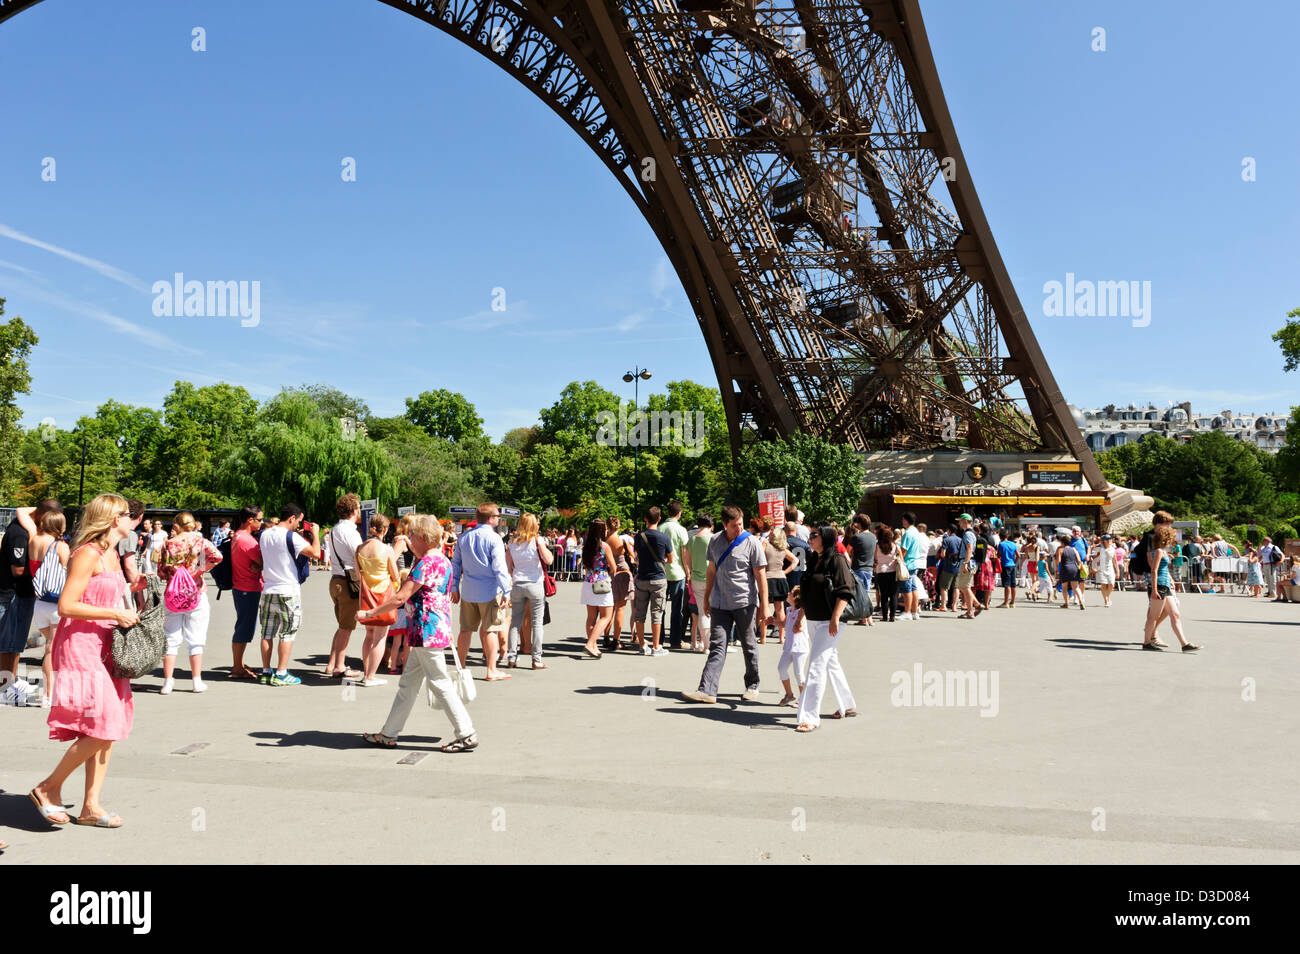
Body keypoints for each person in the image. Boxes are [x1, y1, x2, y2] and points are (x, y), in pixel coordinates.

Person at [31, 494, 141, 828]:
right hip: (81, 646)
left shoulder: (111, 554)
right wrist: (114, 613)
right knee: (103, 722)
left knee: (110, 725)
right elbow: (66, 605)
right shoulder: (87, 553)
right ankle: (48, 787)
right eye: (127, 514)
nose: (132, 519)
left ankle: (91, 805)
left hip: (108, 645)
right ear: (112, 518)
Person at [358, 516, 477, 752]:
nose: (409, 539)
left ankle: (466, 732)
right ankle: (389, 733)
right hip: (432, 628)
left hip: (425, 629)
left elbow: (401, 596)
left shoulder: (426, 563)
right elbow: (441, 597)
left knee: (439, 682)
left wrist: (370, 613)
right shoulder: (441, 560)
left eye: (412, 535)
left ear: (422, 538)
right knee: (408, 684)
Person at [681, 505, 768, 705]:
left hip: (744, 602)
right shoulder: (715, 541)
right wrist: (706, 598)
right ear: (724, 524)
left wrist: (765, 605)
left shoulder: (752, 542)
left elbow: (760, 576)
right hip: (719, 603)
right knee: (717, 646)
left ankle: (752, 685)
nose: (739, 528)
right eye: (734, 525)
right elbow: (711, 571)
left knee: (749, 645)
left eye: (741, 524)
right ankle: (707, 690)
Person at [794, 526, 857, 732]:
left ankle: (809, 717)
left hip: (830, 621)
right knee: (830, 661)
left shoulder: (837, 560)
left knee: (816, 666)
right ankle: (847, 704)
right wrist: (799, 617)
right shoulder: (813, 559)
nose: (810, 539)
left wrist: (835, 617)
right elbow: (807, 592)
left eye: (814, 535)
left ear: (826, 538)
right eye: (810, 535)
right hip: (813, 619)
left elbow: (846, 591)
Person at [1, 498, 62, 701]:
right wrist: (40, 569)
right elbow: (17, 570)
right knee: (6, 643)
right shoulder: (19, 533)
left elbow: (22, 509)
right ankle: (3, 688)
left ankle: (11, 681)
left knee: (15, 643)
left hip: (24, 593)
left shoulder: (29, 529)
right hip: (12, 593)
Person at [157, 511, 223, 694]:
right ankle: (196, 680)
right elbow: (218, 557)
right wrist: (198, 571)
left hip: (173, 594)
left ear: (176, 524)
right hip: (195, 592)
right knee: (196, 638)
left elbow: (161, 572)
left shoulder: (168, 543)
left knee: (170, 637)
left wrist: (174, 573)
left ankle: (168, 681)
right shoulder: (199, 541)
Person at [257, 503, 322, 685]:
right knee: (287, 632)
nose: (299, 525)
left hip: (268, 588)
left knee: (267, 632)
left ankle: (266, 671)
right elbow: (315, 553)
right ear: (292, 518)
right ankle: (281, 672)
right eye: (299, 521)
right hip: (288, 590)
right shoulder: (291, 536)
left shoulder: (264, 534)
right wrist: (315, 534)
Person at [450, 503, 512, 681]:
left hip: (469, 589)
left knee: (465, 630)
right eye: (497, 516)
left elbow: (456, 563)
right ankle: (491, 670)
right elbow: (499, 567)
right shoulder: (494, 539)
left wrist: (454, 587)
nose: (499, 518)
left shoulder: (464, 537)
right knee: (490, 630)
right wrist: (506, 589)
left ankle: (461, 667)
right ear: (491, 519)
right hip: (490, 591)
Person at [16, 508, 69, 706]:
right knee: (52, 649)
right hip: (56, 603)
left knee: (51, 646)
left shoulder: (33, 539)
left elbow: (20, 511)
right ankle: (49, 694)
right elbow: (69, 573)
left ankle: (50, 691)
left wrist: (42, 509)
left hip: (39, 601)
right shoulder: (60, 546)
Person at [1142, 512, 1201, 653]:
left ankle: (1184, 643)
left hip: (1164, 584)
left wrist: (1169, 578)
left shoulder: (1162, 551)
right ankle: (1146, 642)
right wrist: (1155, 589)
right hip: (1159, 585)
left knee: (1175, 613)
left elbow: (1160, 568)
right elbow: (1154, 570)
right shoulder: (1157, 550)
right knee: (1153, 616)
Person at [354, 514, 399, 686]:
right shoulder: (386, 549)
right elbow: (395, 575)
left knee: (369, 636)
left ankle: (366, 673)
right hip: (383, 596)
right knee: (380, 637)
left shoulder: (359, 548)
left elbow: (358, 575)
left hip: (366, 595)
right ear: (385, 529)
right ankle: (370, 676)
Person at [505, 512, 552, 670]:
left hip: (518, 583)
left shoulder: (512, 542)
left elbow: (508, 566)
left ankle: (512, 657)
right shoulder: (537, 540)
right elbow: (549, 560)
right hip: (535, 583)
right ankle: (536, 659)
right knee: (537, 623)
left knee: (515, 622)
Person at [326, 494, 364, 681]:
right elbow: (361, 554)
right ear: (353, 510)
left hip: (336, 580)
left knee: (342, 625)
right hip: (348, 582)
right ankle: (339, 667)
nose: (359, 511)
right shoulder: (350, 531)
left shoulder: (335, 529)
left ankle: (332, 663)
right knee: (347, 627)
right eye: (358, 508)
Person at [632, 506, 673, 656]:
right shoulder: (663, 538)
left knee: (639, 613)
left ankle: (642, 645)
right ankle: (656, 647)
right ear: (659, 519)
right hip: (658, 578)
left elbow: (637, 557)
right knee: (657, 613)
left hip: (642, 577)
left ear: (645, 518)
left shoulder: (639, 536)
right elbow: (670, 558)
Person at [229, 506, 264, 679]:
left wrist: (257, 564)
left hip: (241, 586)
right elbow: (262, 560)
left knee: (243, 625)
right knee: (244, 627)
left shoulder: (238, 535)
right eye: (259, 519)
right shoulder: (247, 540)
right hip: (247, 588)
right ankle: (237, 667)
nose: (262, 522)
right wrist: (259, 564)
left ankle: (239, 664)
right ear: (250, 520)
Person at [579, 519, 614, 658]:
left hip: (588, 581)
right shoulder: (605, 546)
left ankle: (593, 646)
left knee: (591, 617)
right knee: (606, 616)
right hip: (602, 583)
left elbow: (586, 564)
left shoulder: (586, 546)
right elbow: (613, 566)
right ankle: (590, 643)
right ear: (602, 530)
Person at [659, 501, 690, 650]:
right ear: (679, 513)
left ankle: (659, 639)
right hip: (677, 572)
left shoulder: (660, 528)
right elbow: (684, 553)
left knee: (660, 607)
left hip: (661, 572)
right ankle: (675, 640)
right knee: (677, 608)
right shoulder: (681, 529)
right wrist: (687, 571)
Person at [682, 513, 713, 653]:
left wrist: (689, 573)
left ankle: (705, 645)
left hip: (696, 579)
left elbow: (687, 560)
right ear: (711, 524)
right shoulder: (713, 539)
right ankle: (711, 643)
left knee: (702, 612)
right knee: (714, 613)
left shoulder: (693, 539)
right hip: (712, 579)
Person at [604, 517, 633, 652]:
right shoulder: (622, 541)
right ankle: (617, 640)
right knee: (620, 608)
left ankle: (606, 637)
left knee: (609, 609)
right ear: (619, 526)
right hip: (622, 573)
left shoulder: (604, 541)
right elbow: (634, 557)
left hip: (608, 574)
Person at [763, 527, 797, 641]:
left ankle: (762, 638)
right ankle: (782, 638)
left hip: (767, 577)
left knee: (765, 606)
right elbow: (796, 560)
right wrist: (785, 571)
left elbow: (758, 559)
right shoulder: (783, 548)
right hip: (781, 578)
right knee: (780, 608)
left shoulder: (766, 544)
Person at [776, 585, 807, 707]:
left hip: (800, 648)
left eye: (791, 593)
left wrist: (799, 625)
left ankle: (804, 699)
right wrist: (772, 621)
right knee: (781, 668)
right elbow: (784, 624)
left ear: (796, 598)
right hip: (788, 647)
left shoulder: (802, 613)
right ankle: (789, 694)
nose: (788, 593)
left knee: (799, 674)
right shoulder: (789, 610)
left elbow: (801, 625)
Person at [847, 514, 876, 627]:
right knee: (867, 592)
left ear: (859, 524)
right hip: (869, 567)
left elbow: (847, 550)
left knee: (860, 593)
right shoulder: (873, 537)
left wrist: (850, 559)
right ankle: (869, 618)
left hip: (858, 567)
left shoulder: (857, 537)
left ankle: (864, 618)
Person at [896, 512, 925, 619]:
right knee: (913, 588)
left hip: (907, 563)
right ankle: (914, 611)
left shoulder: (908, 533)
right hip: (915, 562)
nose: (902, 521)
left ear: (906, 520)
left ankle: (907, 612)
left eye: (903, 519)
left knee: (906, 588)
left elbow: (903, 550)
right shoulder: (916, 531)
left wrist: (899, 561)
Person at [873, 524, 899, 622]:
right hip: (893, 571)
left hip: (881, 572)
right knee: (893, 595)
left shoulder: (878, 546)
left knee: (883, 595)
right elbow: (900, 559)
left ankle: (884, 616)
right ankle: (892, 616)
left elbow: (875, 558)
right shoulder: (895, 546)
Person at [1054, 531, 1084, 611]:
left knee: (1064, 587)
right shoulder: (1074, 549)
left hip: (1065, 568)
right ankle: (1081, 601)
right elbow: (1079, 560)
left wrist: (1057, 568)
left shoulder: (1060, 550)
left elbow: (1058, 561)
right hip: (1074, 568)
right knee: (1076, 587)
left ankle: (1066, 603)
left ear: (1062, 542)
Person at [995, 531, 1019, 608]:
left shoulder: (1001, 544)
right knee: (1013, 584)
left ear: (1000, 537)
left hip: (1005, 565)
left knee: (1006, 584)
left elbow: (999, 555)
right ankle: (1012, 602)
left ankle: (1006, 602)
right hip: (1012, 565)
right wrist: (1014, 562)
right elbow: (1018, 555)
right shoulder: (1013, 544)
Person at [1095, 534, 1119, 606]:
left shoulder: (1113, 549)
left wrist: (1117, 571)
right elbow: (1095, 559)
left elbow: (1115, 560)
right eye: (1107, 539)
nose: (1109, 541)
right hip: (1101, 568)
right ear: (1104, 541)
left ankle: (1108, 596)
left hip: (1110, 568)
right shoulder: (1100, 548)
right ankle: (1106, 600)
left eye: (1110, 539)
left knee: (1111, 584)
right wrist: (1094, 567)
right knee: (1103, 584)